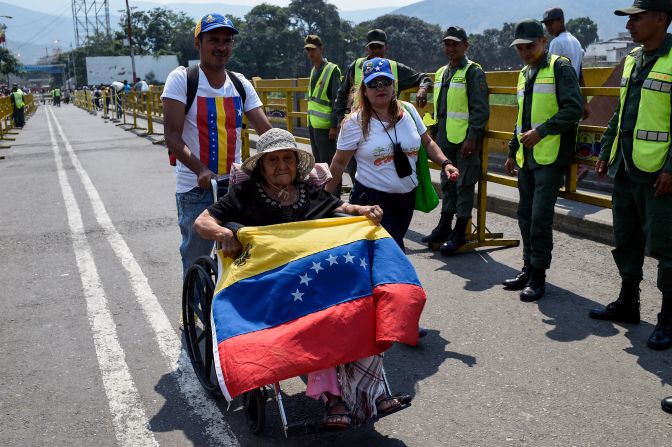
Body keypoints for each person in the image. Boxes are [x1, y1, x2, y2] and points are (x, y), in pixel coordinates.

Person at [193, 128, 398, 429]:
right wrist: (224, 233)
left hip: (314, 283)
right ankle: (333, 397)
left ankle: (371, 389)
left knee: (357, 308)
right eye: (272, 160)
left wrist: (363, 211)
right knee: (316, 320)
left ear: (296, 162)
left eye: (287, 158)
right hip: (271, 288)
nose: (281, 166)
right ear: (261, 166)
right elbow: (203, 221)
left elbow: (341, 208)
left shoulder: (308, 191)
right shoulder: (244, 194)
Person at [588, 1, 672, 353]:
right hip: (626, 165)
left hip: (658, 173)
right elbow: (622, 110)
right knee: (626, 238)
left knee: (667, 248)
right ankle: (629, 302)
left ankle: (668, 319)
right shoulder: (635, 57)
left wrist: (671, 167)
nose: (630, 25)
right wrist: (607, 150)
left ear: (661, 19)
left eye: (637, 18)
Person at [161, 12, 272, 276]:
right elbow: (172, 135)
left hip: (234, 185)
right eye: (213, 40)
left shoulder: (239, 83)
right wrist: (200, 169)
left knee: (242, 251)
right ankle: (195, 307)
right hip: (196, 188)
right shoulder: (182, 80)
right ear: (198, 44)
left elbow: (265, 131)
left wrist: (288, 157)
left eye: (227, 40)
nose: (221, 47)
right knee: (196, 254)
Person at [326, 58, 459, 253]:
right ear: (364, 89)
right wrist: (325, 200)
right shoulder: (355, 122)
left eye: (385, 82)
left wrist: (446, 163)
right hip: (372, 200)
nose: (380, 88)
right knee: (395, 254)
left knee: (378, 259)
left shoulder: (409, 111)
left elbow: (427, 142)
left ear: (394, 85)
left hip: (406, 200)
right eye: (373, 83)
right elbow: (338, 164)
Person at [501, 19, 583, 302]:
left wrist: (543, 131)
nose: (524, 52)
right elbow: (521, 117)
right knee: (524, 216)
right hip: (527, 157)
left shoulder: (559, 67)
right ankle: (527, 267)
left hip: (550, 157)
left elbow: (575, 108)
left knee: (539, 219)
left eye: (530, 46)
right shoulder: (524, 73)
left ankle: (539, 276)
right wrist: (513, 150)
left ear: (544, 41)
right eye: (520, 48)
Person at [421, 26, 490, 253]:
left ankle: (459, 232)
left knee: (464, 184)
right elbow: (441, 107)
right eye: (447, 44)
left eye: (455, 44)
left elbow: (480, 110)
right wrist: (434, 132)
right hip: (445, 138)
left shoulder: (473, 71)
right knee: (448, 183)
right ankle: (444, 226)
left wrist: (472, 137)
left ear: (465, 46)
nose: (450, 48)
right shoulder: (442, 72)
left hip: (464, 140)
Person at [334, 29, 432, 179]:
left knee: (387, 172)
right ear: (367, 49)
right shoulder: (356, 66)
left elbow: (423, 77)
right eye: (372, 47)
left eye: (379, 47)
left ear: (386, 47)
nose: (376, 51)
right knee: (356, 173)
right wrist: (341, 120)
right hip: (358, 127)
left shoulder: (394, 68)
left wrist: (423, 89)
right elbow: (342, 95)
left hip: (386, 129)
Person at [304, 35, 342, 186]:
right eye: (308, 50)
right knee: (319, 164)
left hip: (326, 127)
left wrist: (334, 125)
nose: (310, 53)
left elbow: (337, 100)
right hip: (314, 125)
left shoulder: (332, 70)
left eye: (313, 50)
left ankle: (334, 196)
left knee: (329, 165)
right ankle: (323, 196)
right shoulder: (314, 70)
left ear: (321, 49)